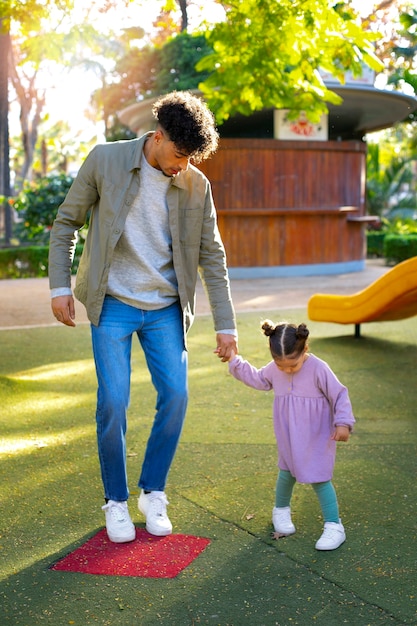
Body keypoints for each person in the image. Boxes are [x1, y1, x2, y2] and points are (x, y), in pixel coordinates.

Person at [49, 91, 238, 543]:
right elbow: (66, 223)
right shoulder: (106, 160)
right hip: (112, 302)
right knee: (112, 403)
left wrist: (226, 323)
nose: (181, 167)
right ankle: (115, 501)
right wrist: (59, 286)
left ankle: (153, 491)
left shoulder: (196, 185)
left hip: (164, 309)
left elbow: (213, 255)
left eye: (190, 159)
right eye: (177, 155)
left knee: (176, 396)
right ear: (157, 137)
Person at [223, 319, 355, 551]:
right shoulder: (275, 369)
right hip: (288, 434)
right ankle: (281, 511)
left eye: (292, 366)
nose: (285, 370)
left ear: (305, 349)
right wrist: (235, 361)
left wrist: (342, 423)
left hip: (316, 434)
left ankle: (334, 526)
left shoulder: (318, 368)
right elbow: (258, 379)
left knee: (320, 477)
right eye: (280, 364)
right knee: (286, 472)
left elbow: (339, 395)